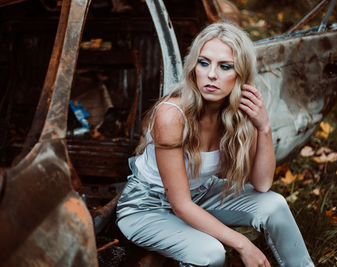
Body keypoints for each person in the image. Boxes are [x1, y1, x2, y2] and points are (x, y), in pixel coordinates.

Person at [116, 22, 314, 267]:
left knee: (275, 204)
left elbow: (262, 184)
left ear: (240, 75)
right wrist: (243, 244)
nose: (211, 75)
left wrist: (263, 127)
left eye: (225, 67)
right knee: (211, 253)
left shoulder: (238, 113)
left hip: (200, 196)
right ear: (193, 68)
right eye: (204, 62)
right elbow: (180, 204)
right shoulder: (171, 115)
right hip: (147, 207)